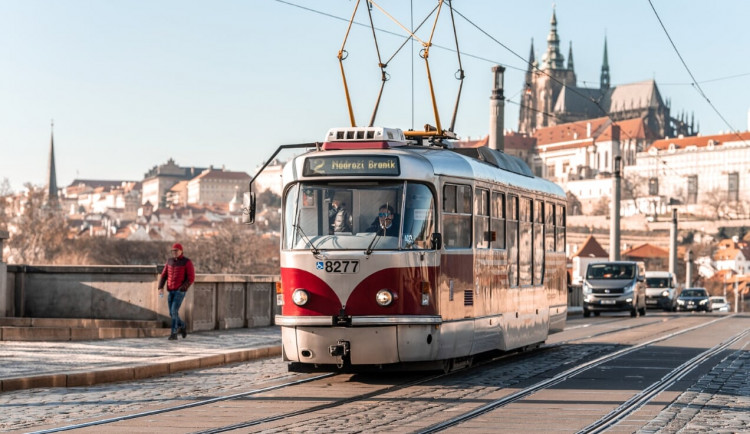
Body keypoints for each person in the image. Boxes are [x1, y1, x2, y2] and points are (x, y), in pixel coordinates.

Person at [158, 243, 195, 341]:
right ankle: (182, 325)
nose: (174, 252)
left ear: (181, 251)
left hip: (180, 291)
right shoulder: (169, 261)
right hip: (170, 290)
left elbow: (191, 278)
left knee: (174, 311)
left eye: (176, 250)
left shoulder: (187, 262)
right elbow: (164, 275)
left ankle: (174, 333)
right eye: (173, 251)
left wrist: (183, 288)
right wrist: (160, 287)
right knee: (171, 313)